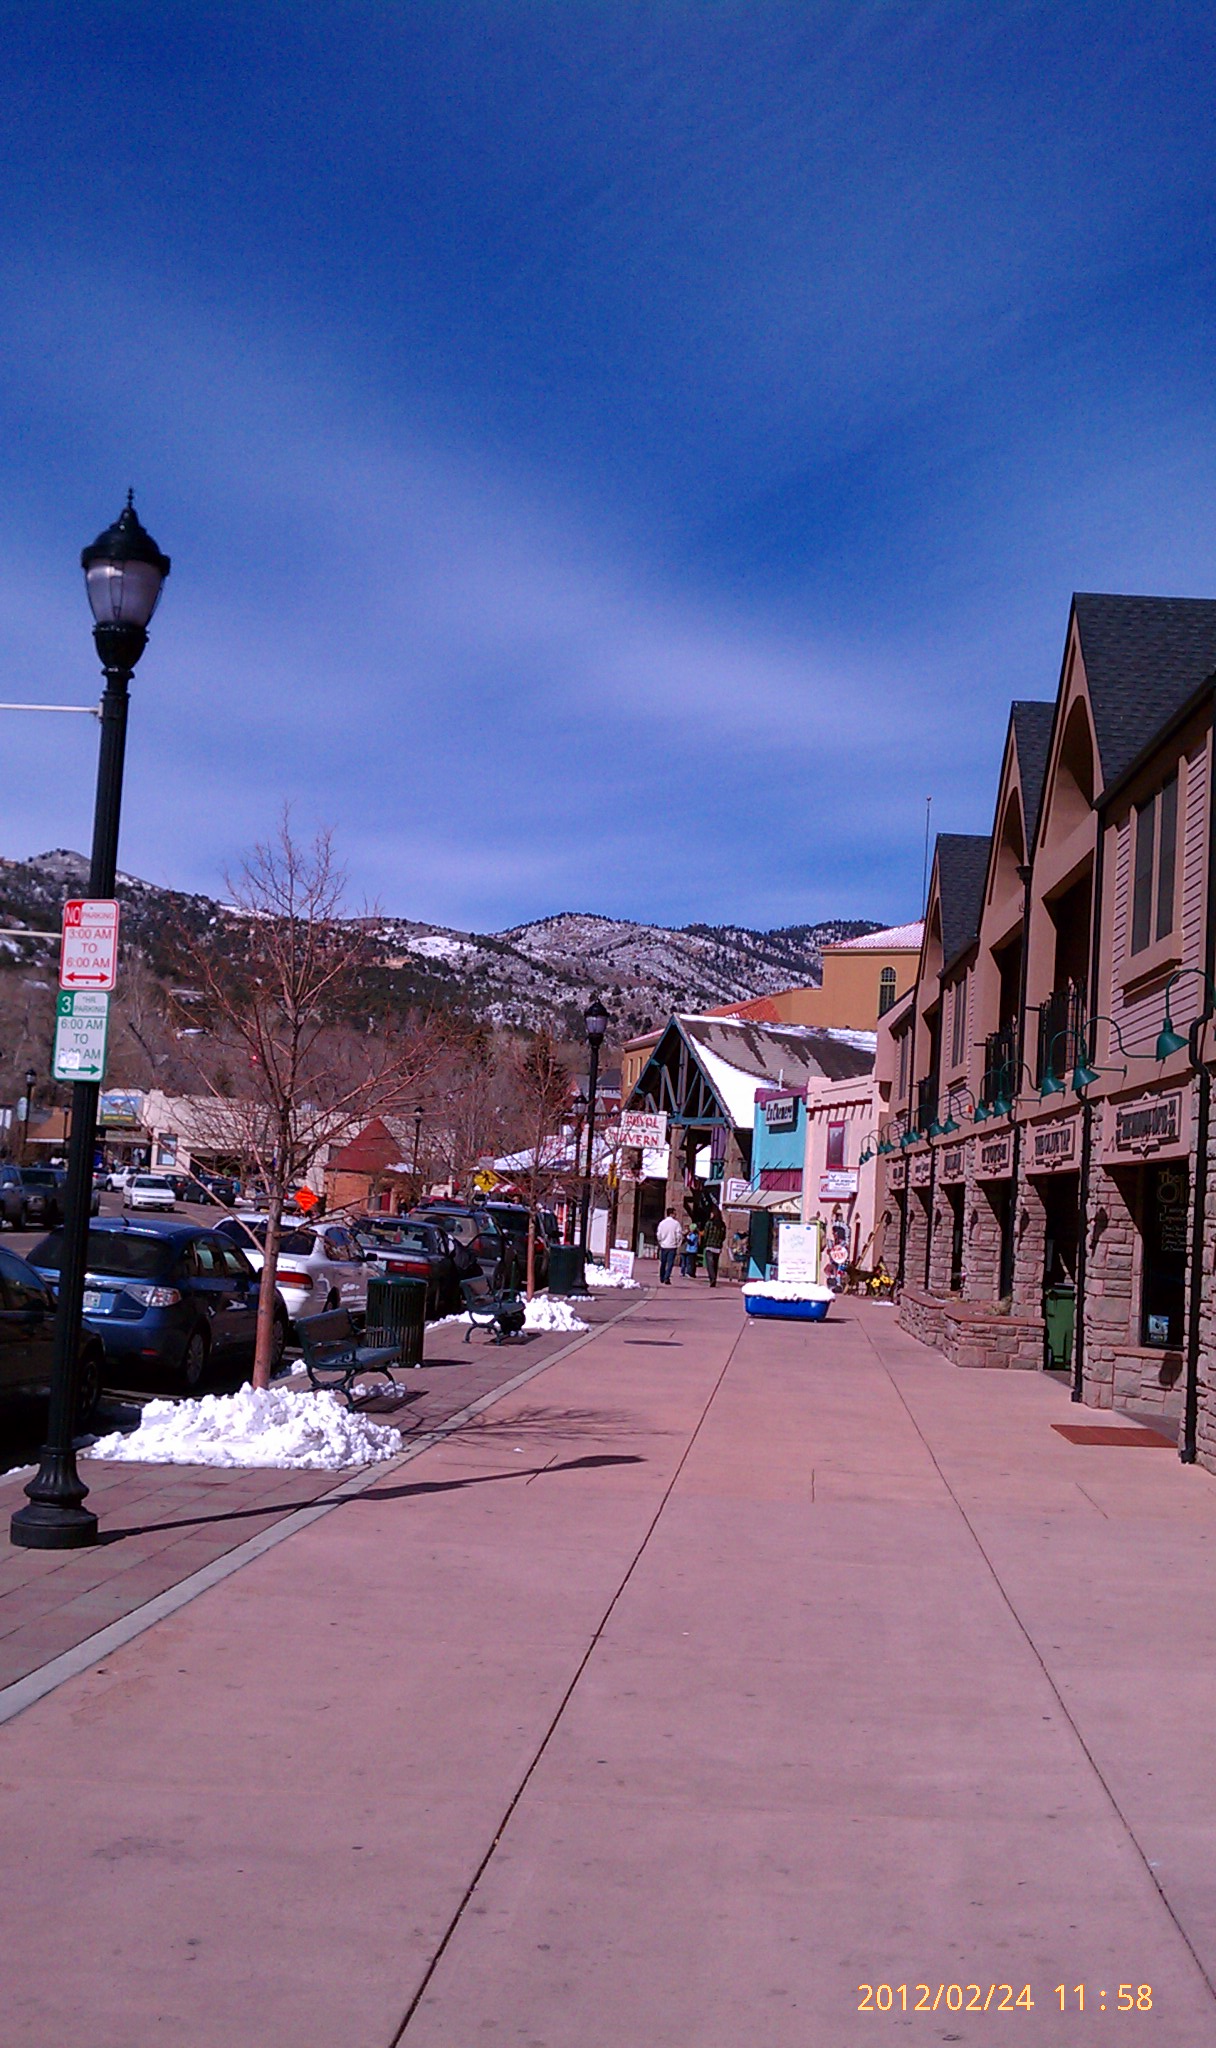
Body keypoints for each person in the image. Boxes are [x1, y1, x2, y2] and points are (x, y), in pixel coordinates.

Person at [701, 1201, 726, 1287]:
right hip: (718, 1246)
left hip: (710, 1245)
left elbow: (706, 1234)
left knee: (710, 1264)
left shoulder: (709, 1223)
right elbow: (723, 1236)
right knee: (715, 1263)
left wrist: (704, 1243)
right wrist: (719, 1242)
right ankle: (714, 1278)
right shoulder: (722, 1224)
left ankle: (712, 1278)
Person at [656, 1208, 682, 1284]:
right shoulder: (676, 1224)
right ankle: (667, 1277)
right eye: (674, 1213)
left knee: (663, 1262)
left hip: (664, 1245)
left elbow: (659, 1234)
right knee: (670, 1263)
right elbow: (679, 1235)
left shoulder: (662, 1223)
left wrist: (660, 1241)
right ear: (671, 1214)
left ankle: (662, 1277)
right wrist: (677, 1243)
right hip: (672, 1246)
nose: (675, 1215)